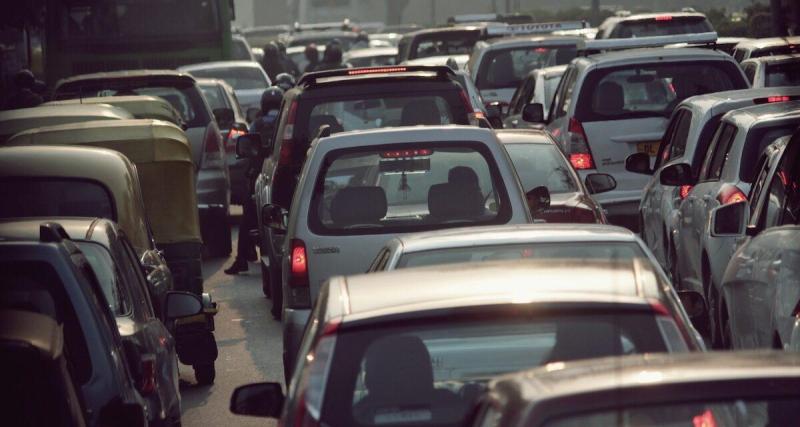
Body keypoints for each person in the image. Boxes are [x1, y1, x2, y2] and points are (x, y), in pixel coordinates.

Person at [224, 87, 285, 275]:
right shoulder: (285, 121)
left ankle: (241, 259)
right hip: (284, 177)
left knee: (248, 215)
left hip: (261, 176)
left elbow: (248, 148)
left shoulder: (258, 124)